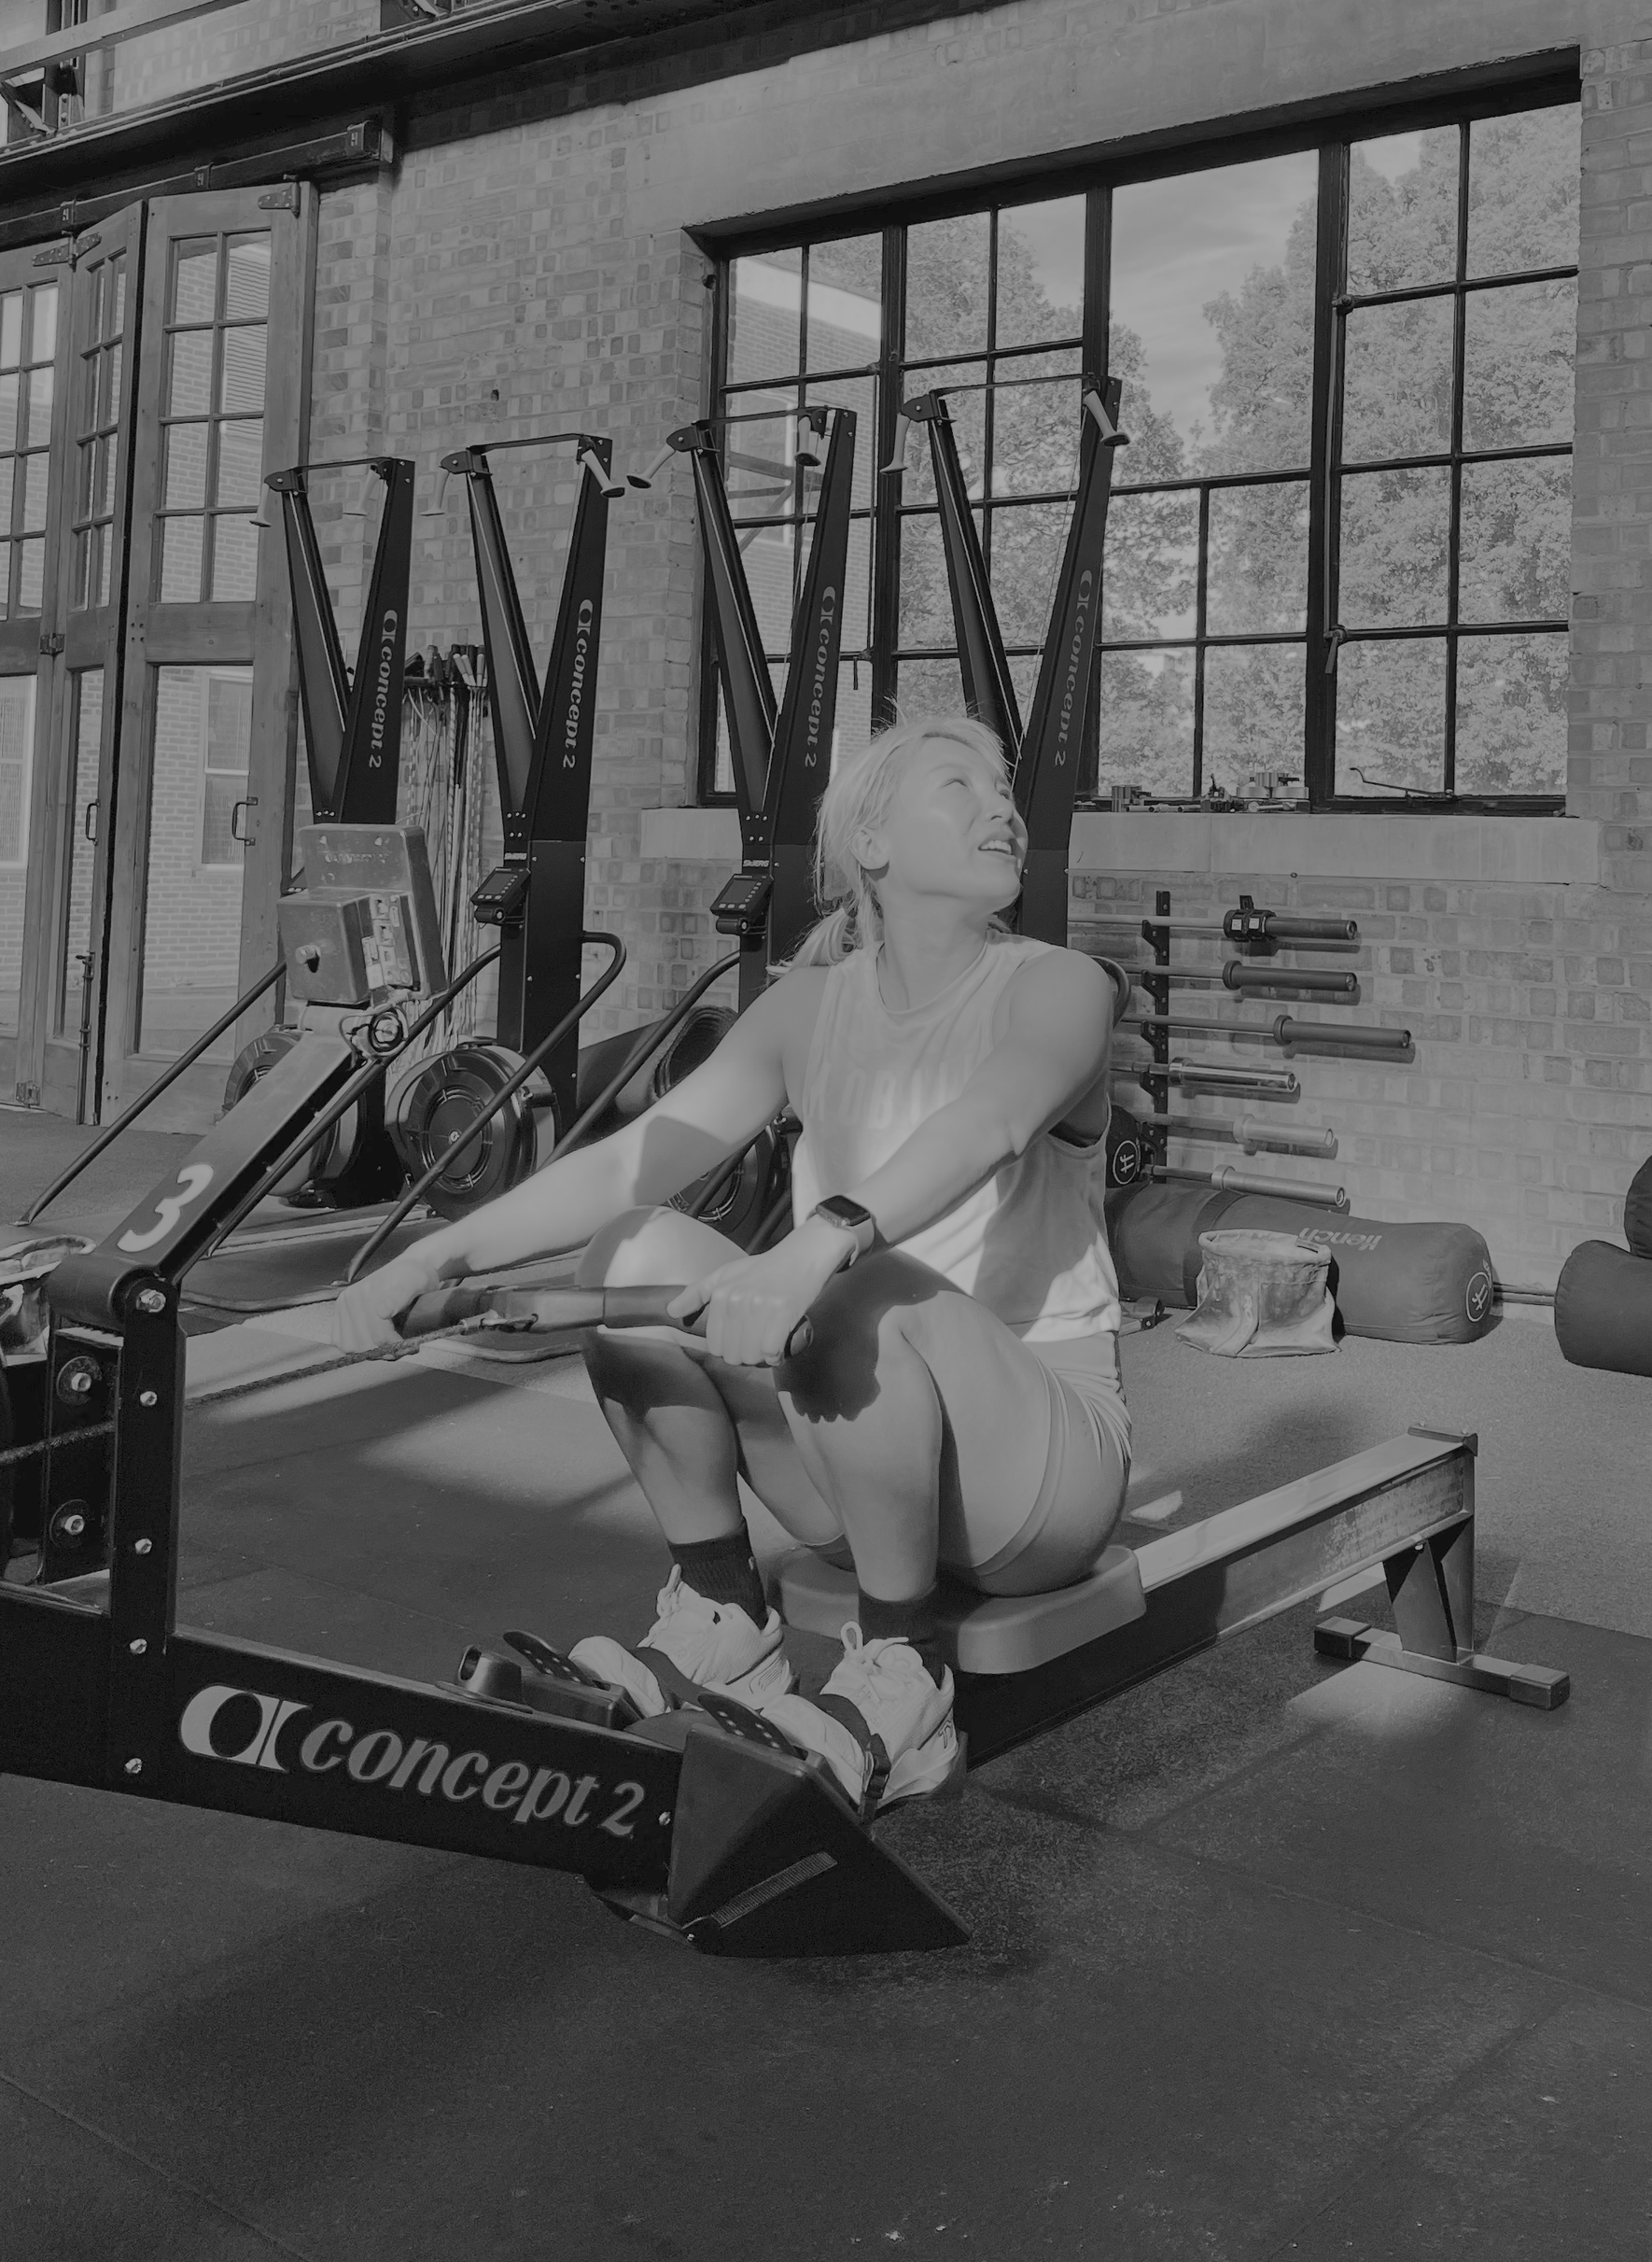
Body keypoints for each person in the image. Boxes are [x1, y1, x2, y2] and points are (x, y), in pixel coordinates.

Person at [334, 712, 1128, 1816]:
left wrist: (820, 1241)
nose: (1002, 806)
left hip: (1035, 1473)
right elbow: (630, 1166)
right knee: (635, 1250)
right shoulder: (807, 1007)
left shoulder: (1062, 986)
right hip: (853, 1457)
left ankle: (906, 1674)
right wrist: (435, 1253)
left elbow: (990, 1121)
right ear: (874, 841)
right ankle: (722, 1616)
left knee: (866, 1286)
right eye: (960, 785)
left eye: (1004, 790)